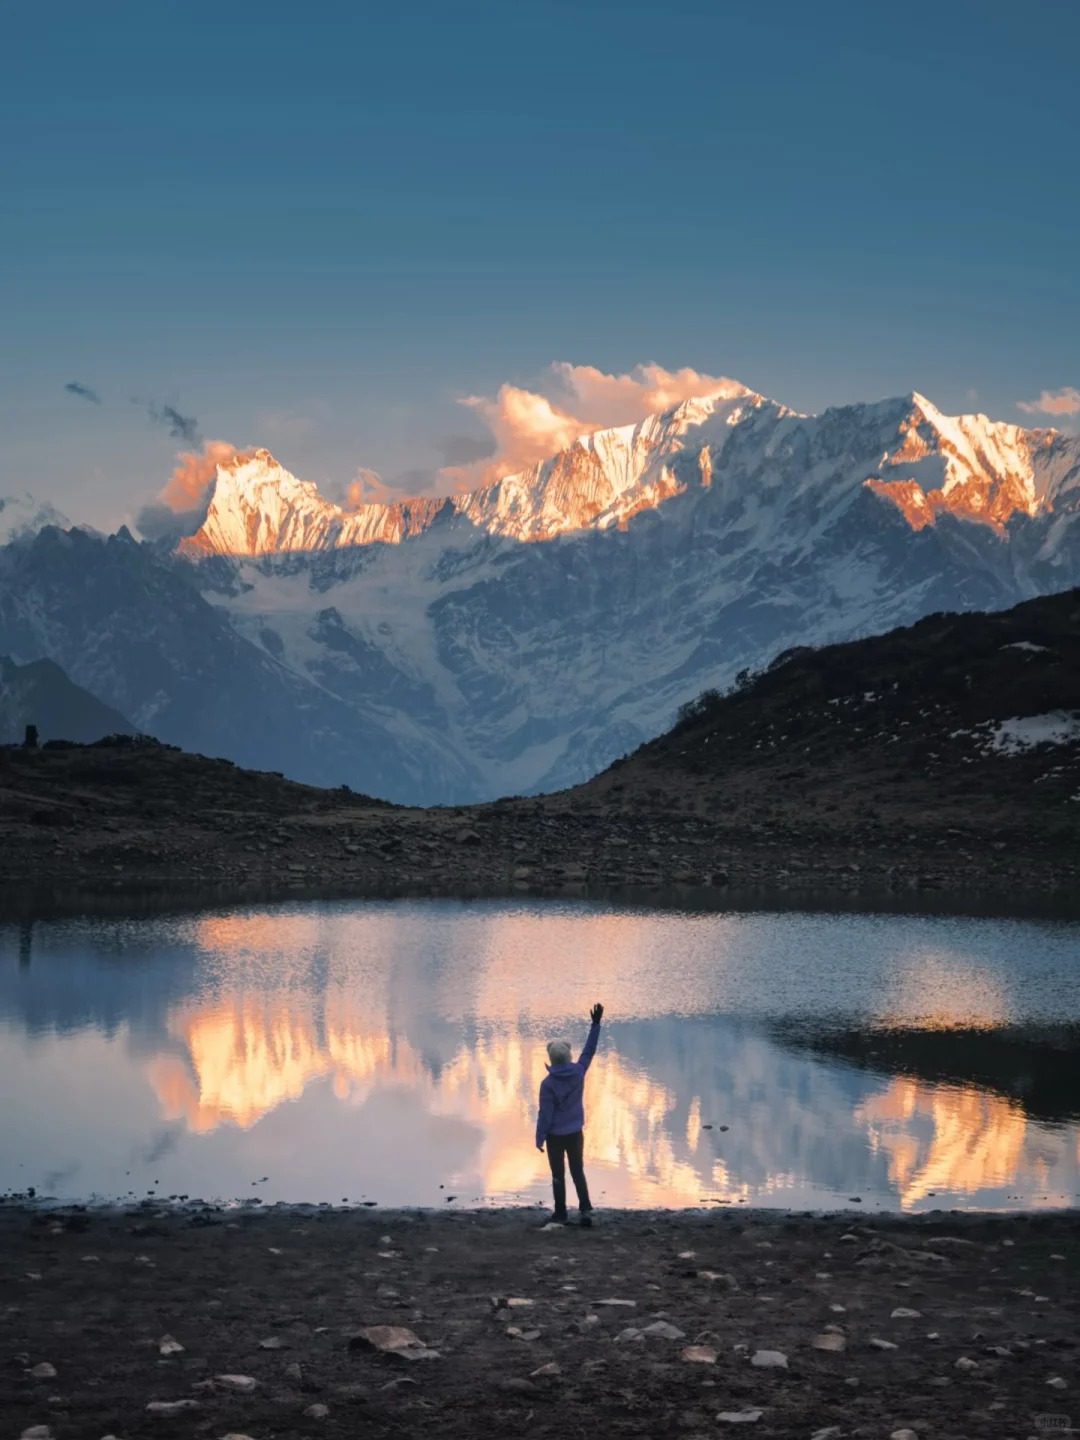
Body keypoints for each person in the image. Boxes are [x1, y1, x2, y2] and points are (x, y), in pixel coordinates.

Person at [535, 1002, 604, 1226]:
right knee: (577, 1171)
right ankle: (585, 1208)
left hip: (555, 1136)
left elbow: (544, 1115)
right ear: (568, 1056)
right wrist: (595, 1024)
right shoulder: (578, 1072)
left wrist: (539, 1138)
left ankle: (561, 1212)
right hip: (575, 1133)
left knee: (558, 1174)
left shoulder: (547, 1084)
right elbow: (589, 1051)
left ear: (552, 1060)